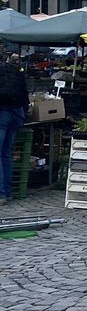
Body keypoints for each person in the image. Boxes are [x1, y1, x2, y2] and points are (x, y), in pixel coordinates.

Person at [0, 52, 28, 205]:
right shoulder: (14, 71)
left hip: (2, 113)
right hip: (17, 113)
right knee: (6, 154)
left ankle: (1, 194)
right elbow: (25, 94)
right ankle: (8, 193)